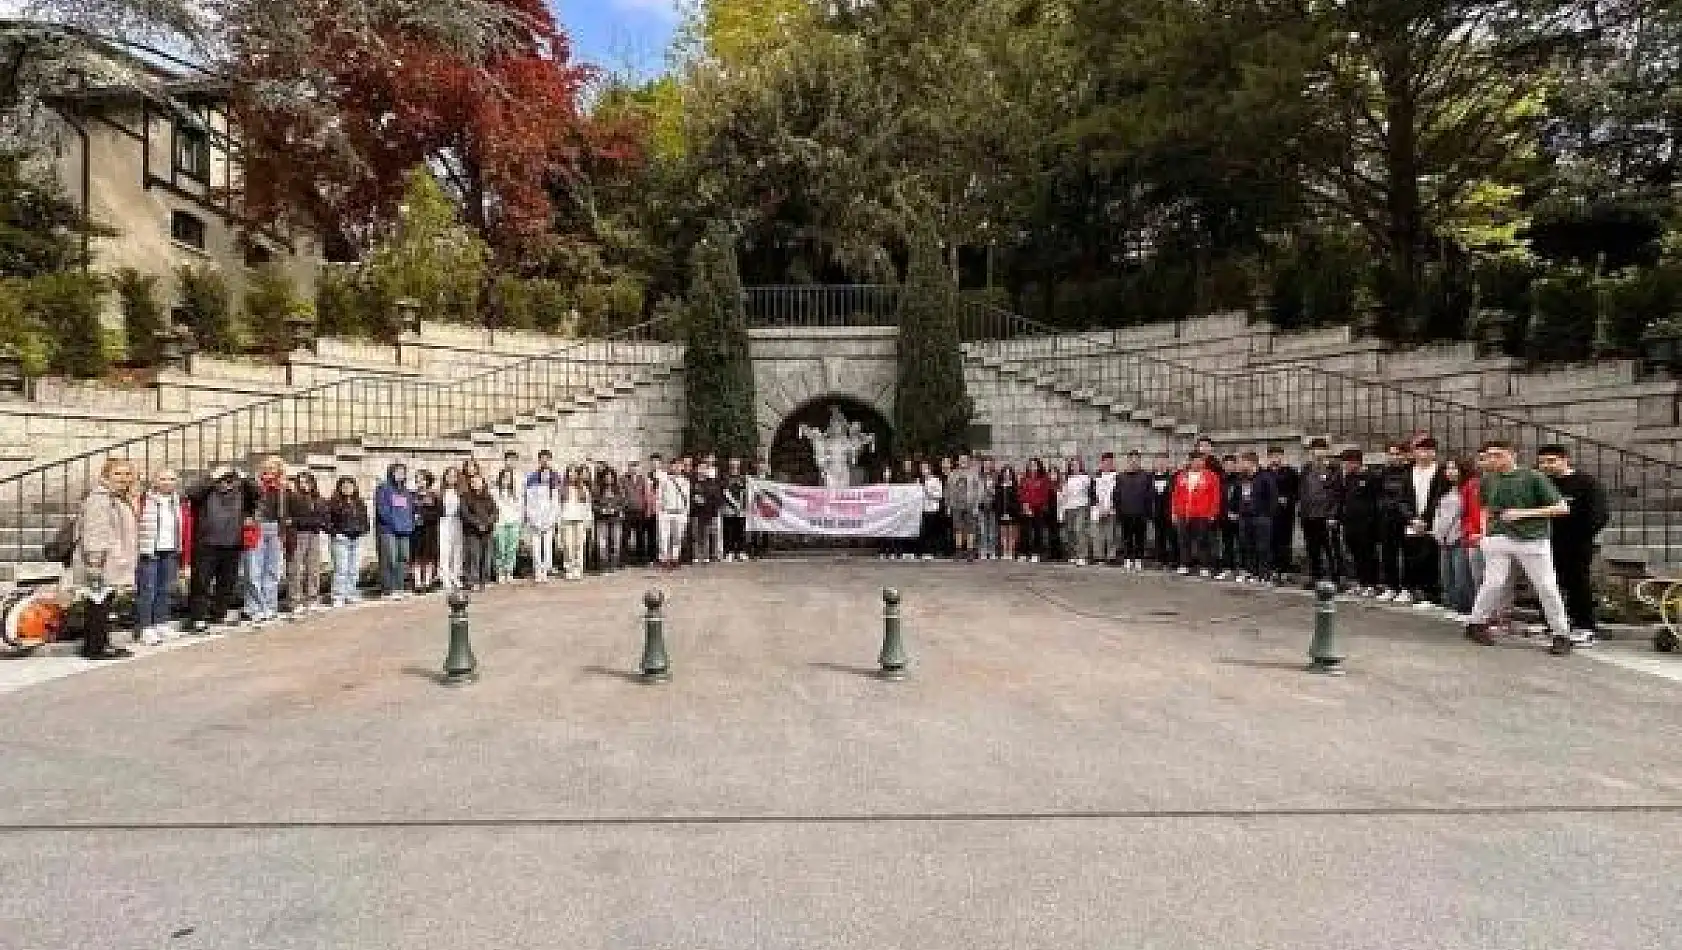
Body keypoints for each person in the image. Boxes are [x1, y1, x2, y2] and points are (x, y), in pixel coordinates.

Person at [1464, 440, 1576, 655]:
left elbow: (1562, 508)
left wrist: (1523, 514)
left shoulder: (1534, 477)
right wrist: (1486, 535)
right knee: (1493, 583)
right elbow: (1486, 508)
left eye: (1497, 455)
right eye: (1488, 455)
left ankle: (1561, 634)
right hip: (1498, 537)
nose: (1491, 460)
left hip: (1532, 538)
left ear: (1512, 455)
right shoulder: (1487, 480)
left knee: (1546, 586)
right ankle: (1476, 623)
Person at [1537, 444, 1610, 643]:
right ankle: (1553, 623)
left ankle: (1584, 626)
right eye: (1542, 462)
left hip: (1577, 543)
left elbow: (1599, 514)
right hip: (1547, 541)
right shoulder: (1543, 483)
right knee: (1550, 584)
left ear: (1565, 459)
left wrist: (1584, 535)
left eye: (1551, 461)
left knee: (1578, 584)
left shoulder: (1586, 483)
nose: (1546, 466)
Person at [72, 458, 140, 659]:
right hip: (100, 563)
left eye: (127, 474)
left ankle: (100, 643)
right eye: (118, 474)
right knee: (98, 605)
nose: (123, 478)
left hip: (112, 561)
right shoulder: (100, 499)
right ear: (106, 475)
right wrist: (94, 563)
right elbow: (94, 532)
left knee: (103, 604)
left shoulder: (118, 497)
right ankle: (95, 648)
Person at [187, 466, 256, 630]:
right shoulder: (208, 487)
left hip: (232, 543)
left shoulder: (242, 488)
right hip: (207, 543)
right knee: (201, 583)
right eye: (224, 477)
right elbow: (192, 493)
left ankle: (219, 614)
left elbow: (258, 493)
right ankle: (197, 618)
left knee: (227, 583)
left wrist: (245, 476)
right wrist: (212, 477)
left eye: (230, 477)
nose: (227, 481)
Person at [134, 468, 187, 644]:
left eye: (171, 479)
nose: (167, 482)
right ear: (155, 481)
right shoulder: (144, 499)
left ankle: (161, 623)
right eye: (163, 478)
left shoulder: (177, 500)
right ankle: (145, 627)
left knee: (165, 589)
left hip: (170, 549)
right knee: (147, 590)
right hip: (149, 550)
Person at [1400, 437, 1452, 609]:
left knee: (1430, 558)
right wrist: (1412, 518)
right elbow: (1402, 499)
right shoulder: (1408, 472)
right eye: (1420, 450)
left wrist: (1426, 519)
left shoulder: (1441, 472)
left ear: (1434, 453)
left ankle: (1431, 595)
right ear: (1414, 452)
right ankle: (1412, 590)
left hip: (1433, 521)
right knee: (1411, 556)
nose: (1424, 454)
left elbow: (1440, 498)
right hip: (1412, 521)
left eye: (1428, 450)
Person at [243, 456, 289, 625]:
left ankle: (270, 606)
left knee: (272, 570)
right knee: (254, 570)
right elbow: (244, 504)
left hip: (275, 528)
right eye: (268, 467)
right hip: (257, 527)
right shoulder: (252, 484)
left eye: (275, 468)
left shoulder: (283, 488)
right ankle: (254, 608)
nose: (270, 471)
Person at [1297, 438, 1343, 589]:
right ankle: (1315, 576)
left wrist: (1332, 515)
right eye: (1315, 449)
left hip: (1325, 516)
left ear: (1327, 451)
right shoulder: (1306, 469)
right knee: (1312, 548)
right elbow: (1302, 491)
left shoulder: (1333, 469)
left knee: (1330, 548)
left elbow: (1337, 494)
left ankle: (1336, 578)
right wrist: (1302, 512)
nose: (1318, 452)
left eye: (1321, 449)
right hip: (1308, 515)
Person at [1433, 457, 1474, 621]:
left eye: (1454, 468)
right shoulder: (1446, 490)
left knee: (1462, 576)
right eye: (1448, 469)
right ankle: (1452, 605)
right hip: (1444, 538)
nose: (1450, 472)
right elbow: (1439, 514)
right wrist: (1438, 533)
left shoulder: (1468, 489)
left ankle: (1465, 608)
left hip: (1459, 538)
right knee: (1447, 575)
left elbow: (1465, 516)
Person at [1338, 449, 1383, 596]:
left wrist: (1374, 522)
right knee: (1356, 554)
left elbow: (1376, 500)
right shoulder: (1348, 478)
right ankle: (1361, 581)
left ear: (1356, 462)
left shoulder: (1370, 477)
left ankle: (1371, 583)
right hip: (1350, 523)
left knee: (1368, 554)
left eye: (1347, 462)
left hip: (1366, 523)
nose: (1345, 465)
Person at [285, 471, 329, 615]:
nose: (304, 485)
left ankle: (312, 598)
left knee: (313, 568)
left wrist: (303, 521)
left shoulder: (318, 499)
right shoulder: (292, 498)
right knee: (295, 569)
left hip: (314, 535)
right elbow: (289, 519)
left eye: (307, 482)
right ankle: (294, 601)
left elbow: (322, 519)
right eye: (301, 482)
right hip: (297, 535)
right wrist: (305, 521)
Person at [1172, 453, 1221, 576]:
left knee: (1202, 541)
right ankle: (1184, 564)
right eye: (1195, 460)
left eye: (1200, 460)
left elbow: (1215, 496)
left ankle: (1204, 565)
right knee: (1183, 541)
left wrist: (1213, 512)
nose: (1197, 463)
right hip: (1183, 513)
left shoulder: (1211, 476)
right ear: (1190, 462)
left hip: (1202, 515)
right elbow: (1175, 495)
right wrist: (1174, 512)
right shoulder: (1181, 476)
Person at [373, 462, 415, 598]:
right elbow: (382, 510)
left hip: (404, 530)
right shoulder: (383, 489)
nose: (400, 475)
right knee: (389, 559)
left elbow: (410, 510)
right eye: (397, 472)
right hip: (388, 530)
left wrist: (410, 523)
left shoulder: (406, 492)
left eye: (402, 472)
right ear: (391, 472)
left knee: (403, 558)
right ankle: (388, 589)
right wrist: (395, 524)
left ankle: (399, 587)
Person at [1376, 443, 1413, 601]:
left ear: (1404, 455)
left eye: (1397, 454)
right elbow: (1378, 493)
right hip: (1387, 518)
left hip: (1404, 518)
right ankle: (1391, 586)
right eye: (1391, 454)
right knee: (1388, 554)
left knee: (1407, 555)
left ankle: (1407, 588)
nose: (1394, 457)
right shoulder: (1383, 472)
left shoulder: (1410, 472)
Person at [326, 475, 369, 607]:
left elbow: (365, 520)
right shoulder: (333, 503)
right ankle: (338, 596)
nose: (347, 488)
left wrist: (363, 530)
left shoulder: (359, 503)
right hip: (341, 539)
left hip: (356, 539)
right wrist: (335, 533)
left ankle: (351, 593)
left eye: (350, 485)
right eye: (344, 486)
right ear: (339, 488)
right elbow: (327, 521)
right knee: (341, 569)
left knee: (354, 569)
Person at [457, 471, 497, 591]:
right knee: (474, 556)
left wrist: (488, 523)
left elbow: (495, 512)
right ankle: (472, 580)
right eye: (473, 482)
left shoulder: (488, 497)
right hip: (472, 532)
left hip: (487, 531)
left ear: (482, 483)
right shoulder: (465, 497)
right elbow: (465, 513)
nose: (476, 484)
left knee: (486, 556)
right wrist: (478, 524)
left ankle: (483, 580)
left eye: (478, 481)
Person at [1113, 450, 1153, 572]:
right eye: (1131, 460)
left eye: (1136, 459)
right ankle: (1128, 558)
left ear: (1139, 461)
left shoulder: (1146, 476)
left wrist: (1148, 512)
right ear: (1128, 461)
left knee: (1140, 537)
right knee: (1127, 537)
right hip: (1125, 512)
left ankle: (1139, 559)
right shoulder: (1121, 477)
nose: (1134, 462)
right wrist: (1118, 511)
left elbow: (1149, 495)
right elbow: (1116, 495)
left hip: (1141, 512)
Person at [1266, 446, 1300, 576]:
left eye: (1278, 456)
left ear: (1282, 457)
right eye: (1273, 456)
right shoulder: (1265, 472)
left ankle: (1285, 569)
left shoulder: (1290, 472)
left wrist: (1288, 499)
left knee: (1285, 542)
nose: (1276, 459)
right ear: (1269, 458)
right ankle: (1273, 568)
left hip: (1286, 514)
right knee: (1271, 541)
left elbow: (1297, 492)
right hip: (1270, 514)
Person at [654, 454, 690, 571]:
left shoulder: (685, 481)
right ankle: (663, 559)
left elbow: (687, 498)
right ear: (671, 467)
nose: (677, 468)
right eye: (674, 465)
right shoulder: (664, 479)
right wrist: (659, 511)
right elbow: (659, 496)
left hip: (680, 512)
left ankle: (675, 558)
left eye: (679, 465)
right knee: (664, 537)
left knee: (677, 537)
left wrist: (686, 513)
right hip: (666, 511)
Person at [524, 465, 560, 581]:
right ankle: (538, 570)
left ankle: (546, 569)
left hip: (548, 523)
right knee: (536, 547)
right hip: (535, 522)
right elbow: (529, 504)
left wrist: (550, 521)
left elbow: (555, 506)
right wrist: (534, 520)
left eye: (548, 474)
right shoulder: (532, 488)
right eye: (543, 474)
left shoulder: (553, 490)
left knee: (548, 547)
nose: (546, 476)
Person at [558, 464, 593, 581]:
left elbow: (588, 506)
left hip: (580, 520)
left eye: (574, 472)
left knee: (578, 545)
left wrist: (588, 520)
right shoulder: (562, 489)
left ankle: (578, 568)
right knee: (568, 545)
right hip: (566, 519)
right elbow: (559, 506)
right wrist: (559, 521)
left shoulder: (583, 488)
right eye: (569, 472)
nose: (571, 475)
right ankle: (568, 568)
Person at [1058, 457, 1094, 566]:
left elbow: (1089, 490)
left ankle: (1082, 555)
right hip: (1069, 507)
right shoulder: (1067, 479)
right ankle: (1073, 554)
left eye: (1077, 464)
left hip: (1081, 506)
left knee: (1080, 530)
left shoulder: (1085, 478)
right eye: (1073, 465)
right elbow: (1063, 495)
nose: (1075, 467)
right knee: (1070, 531)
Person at [410, 470, 441, 593]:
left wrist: (424, 516)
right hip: (416, 530)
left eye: (422, 479)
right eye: (417, 479)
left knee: (429, 556)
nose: (420, 482)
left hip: (430, 529)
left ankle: (428, 581)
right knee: (416, 556)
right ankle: (417, 582)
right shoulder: (411, 495)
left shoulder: (434, 496)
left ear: (428, 481)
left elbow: (439, 512)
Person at [491, 467, 524, 583]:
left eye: (509, 478)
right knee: (500, 548)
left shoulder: (515, 493)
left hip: (513, 522)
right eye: (504, 477)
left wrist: (520, 522)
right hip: (500, 522)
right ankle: (499, 572)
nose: (506, 480)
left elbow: (520, 508)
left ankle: (509, 571)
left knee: (512, 549)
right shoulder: (495, 491)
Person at [689, 456, 724, 564]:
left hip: (707, 512)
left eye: (704, 468)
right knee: (695, 535)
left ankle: (705, 556)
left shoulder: (711, 483)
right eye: (700, 468)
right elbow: (688, 495)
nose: (702, 470)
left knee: (705, 535)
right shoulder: (692, 482)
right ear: (697, 469)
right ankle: (695, 556)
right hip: (695, 512)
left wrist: (705, 501)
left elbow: (716, 497)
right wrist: (694, 499)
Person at [948, 454, 982, 562]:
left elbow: (979, 490)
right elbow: (948, 490)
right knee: (958, 529)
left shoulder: (974, 474)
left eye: (965, 460)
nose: (963, 461)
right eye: (961, 459)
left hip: (970, 504)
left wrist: (976, 505)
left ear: (968, 461)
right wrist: (948, 504)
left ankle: (970, 551)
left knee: (970, 529)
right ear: (958, 461)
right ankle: (958, 551)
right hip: (956, 505)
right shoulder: (953, 474)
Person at [437, 467, 465, 592]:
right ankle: (445, 577)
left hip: (457, 521)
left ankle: (456, 576)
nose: (451, 478)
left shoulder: (461, 492)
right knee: (445, 550)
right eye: (449, 475)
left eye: (454, 476)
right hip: (444, 521)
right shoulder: (441, 492)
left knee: (457, 549)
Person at [1019, 458, 1052, 563]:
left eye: (1034, 465)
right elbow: (1021, 492)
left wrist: (1039, 505)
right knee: (1025, 531)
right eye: (1031, 465)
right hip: (1026, 507)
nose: (1032, 467)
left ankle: (1036, 553)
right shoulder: (1024, 478)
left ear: (1038, 466)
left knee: (1037, 531)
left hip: (1038, 508)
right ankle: (1024, 552)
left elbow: (1045, 494)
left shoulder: (1043, 479)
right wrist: (1025, 504)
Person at [1148, 453, 1178, 569]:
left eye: (1163, 461)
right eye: (1158, 461)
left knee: (1172, 537)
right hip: (1156, 512)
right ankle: (1160, 559)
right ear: (1155, 463)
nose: (1161, 464)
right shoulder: (1150, 477)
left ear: (1167, 463)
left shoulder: (1173, 477)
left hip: (1169, 512)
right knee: (1159, 536)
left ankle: (1174, 560)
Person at [594, 465, 626, 571]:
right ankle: (603, 564)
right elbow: (593, 504)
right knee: (602, 542)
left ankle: (613, 563)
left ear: (614, 477)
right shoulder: (598, 489)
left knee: (615, 541)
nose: (609, 478)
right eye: (606, 476)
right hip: (602, 519)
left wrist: (615, 509)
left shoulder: (618, 489)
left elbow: (623, 502)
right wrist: (601, 509)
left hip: (616, 518)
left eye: (611, 476)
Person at [1091, 453, 1119, 566]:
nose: (1107, 464)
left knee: (1111, 533)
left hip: (1111, 509)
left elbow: (1118, 494)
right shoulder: (1096, 477)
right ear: (1101, 463)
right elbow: (1092, 493)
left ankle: (1111, 556)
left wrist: (1110, 507)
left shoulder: (1117, 477)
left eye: (1110, 462)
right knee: (1098, 534)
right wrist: (1098, 506)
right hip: (1098, 509)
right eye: (1105, 462)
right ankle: (1099, 556)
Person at [623, 460, 652, 566]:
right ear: (628, 468)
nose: (633, 469)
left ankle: (640, 559)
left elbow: (646, 494)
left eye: (635, 467)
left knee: (640, 535)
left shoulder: (642, 480)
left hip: (640, 510)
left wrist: (647, 509)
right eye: (631, 467)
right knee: (626, 536)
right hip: (628, 511)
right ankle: (624, 559)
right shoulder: (623, 479)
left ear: (638, 469)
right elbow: (622, 493)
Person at [721, 458, 748, 562]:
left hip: (741, 509)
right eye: (732, 465)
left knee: (740, 530)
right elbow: (725, 492)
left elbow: (745, 492)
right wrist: (734, 504)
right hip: (728, 508)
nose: (734, 467)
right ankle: (729, 552)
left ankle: (740, 551)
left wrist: (741, 506)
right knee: (729, 530)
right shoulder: (725, 478)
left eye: (736, 465)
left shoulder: (743, 478)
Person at [995, 464, 1021, 561]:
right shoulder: (999, 486)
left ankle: (1011, 551)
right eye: (1005, 473)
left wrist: (1011, 512)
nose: (1007, 475)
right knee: (1003, 533)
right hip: (1002, 512)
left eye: (1009, 473)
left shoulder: (1015, 486)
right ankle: (1004, 551)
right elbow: (997, 500)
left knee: (1012, 533)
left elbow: (1017, 500)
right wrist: (1001, 512)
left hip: (1013, 513)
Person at [976, 457, 1000, 560]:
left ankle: (992, 551)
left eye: (989, 463)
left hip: (993, 505)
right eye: (985, 463)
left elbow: (999, 491)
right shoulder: (978, 476)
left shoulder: (996, 476)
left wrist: (993, 490)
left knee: (992, 530)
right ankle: (983, 550)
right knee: (982, 529)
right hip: (981, 505)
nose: (987, 465)